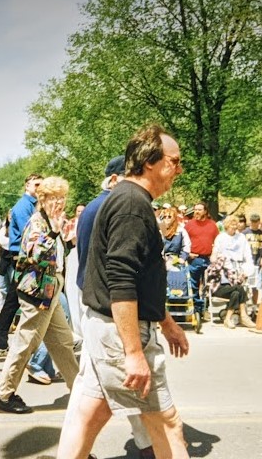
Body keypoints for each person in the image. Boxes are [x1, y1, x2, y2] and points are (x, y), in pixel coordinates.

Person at [57, 124, 189, 459]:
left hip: (109, 331)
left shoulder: (127, 199)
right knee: (168, 422)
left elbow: (140, 279)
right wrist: (133, 352)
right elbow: (121, 281)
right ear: (149, 162)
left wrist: (167, 322)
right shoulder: (131, 205)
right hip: (120, 336)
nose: (179, 169)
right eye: (174, 161)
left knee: (89, 416)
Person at [74, 155, 155, 458]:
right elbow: (119, 270)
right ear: (113, 179)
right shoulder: (112, 207)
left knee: (92, 392)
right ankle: (148, 443)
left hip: (97, 303)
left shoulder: (97, 207)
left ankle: (145, 442)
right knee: (128, 384)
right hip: (109, 308)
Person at [0, 176, 79, 414]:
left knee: (63, 343)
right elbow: (33, 254)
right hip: (38, 293)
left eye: (62, 197)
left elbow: (56, 255)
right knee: (24, 344)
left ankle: (80, 390)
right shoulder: (38, 222)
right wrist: (54, 234)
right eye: (54, 198)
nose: (60, 202)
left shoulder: (54, 221)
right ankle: (5, 395)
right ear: (43, 199)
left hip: (51, 290)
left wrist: (68, 240)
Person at [0, 173, 43, 357]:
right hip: (21, 256)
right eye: (36, 184)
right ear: (27, 186)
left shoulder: (33, 205)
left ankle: (0, 340)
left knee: (15, 299)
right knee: (18, 299)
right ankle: (1, 340)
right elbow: (29, 233)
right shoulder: (23, 207)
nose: (39, 188)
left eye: (41, 185)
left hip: (26, 256)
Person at [209, 215, 255, 328]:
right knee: (239, 288)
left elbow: (248, 256)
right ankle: (244, 316)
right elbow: (214, 257)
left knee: (236, 292)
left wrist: (246, 271)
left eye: (236, 225)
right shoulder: (221, 239)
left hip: (237, 270)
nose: (234, 227)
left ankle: (228, 319)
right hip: (221, 284)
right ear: (226, 226)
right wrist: (217, 258)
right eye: (231, 225)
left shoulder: (241, 238)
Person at [185, 201, 219, 318]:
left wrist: (214, 253)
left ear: (205, 211)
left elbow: (218, 242)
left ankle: (205, 309)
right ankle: (196, 309)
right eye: (195, 210)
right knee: (193, 286)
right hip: (194, 259)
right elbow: (183, 241)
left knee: (207, 286)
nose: (197, 212)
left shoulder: (212, 225)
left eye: (199, 210)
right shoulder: (189, 225)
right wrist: (188, 253)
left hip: (208, 259)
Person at [242, 213, 262, 304]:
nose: (254, 223)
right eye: (253, 221)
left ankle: (254, 305)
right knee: (244, 285)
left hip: (257, 262)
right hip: (246, 262)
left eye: (256, 221)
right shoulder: (245, 233)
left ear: (259, 222)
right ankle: (244, 304)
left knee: (255, 286)